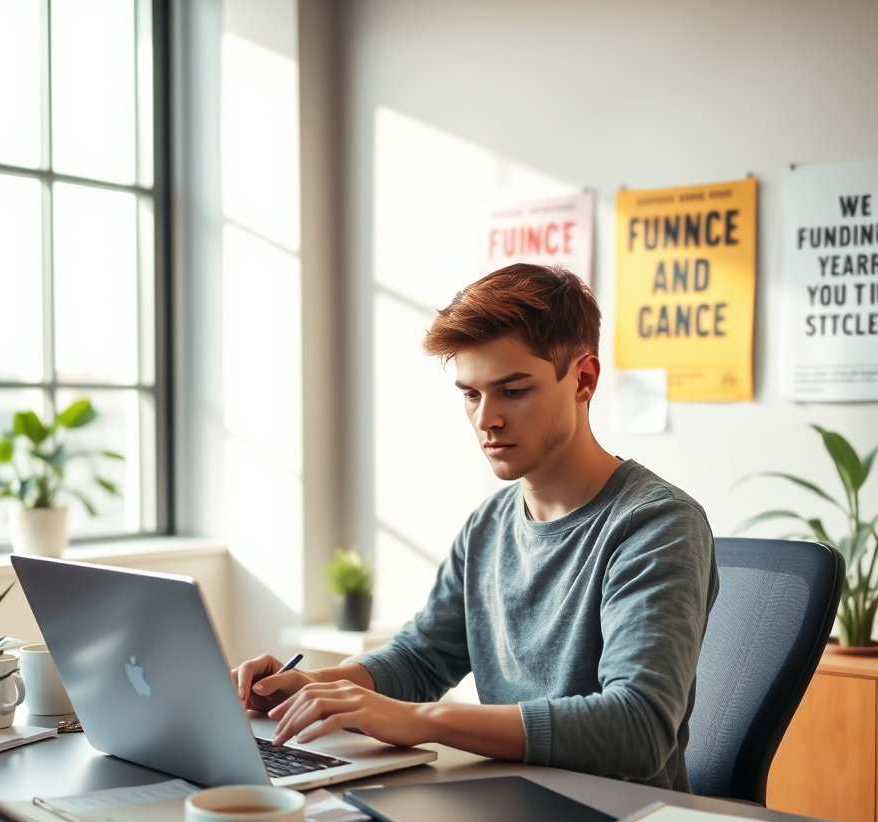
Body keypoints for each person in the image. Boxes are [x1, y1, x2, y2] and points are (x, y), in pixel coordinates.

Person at [232, 262, 719, 790]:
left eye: (513, 391)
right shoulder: (488, 525)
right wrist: (311, 684)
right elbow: (421, 659)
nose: (487, 419)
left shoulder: (656, 523)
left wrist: (421, 722)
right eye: (471, 394)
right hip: (511, 806)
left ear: (583, 380)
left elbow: (638, 728)